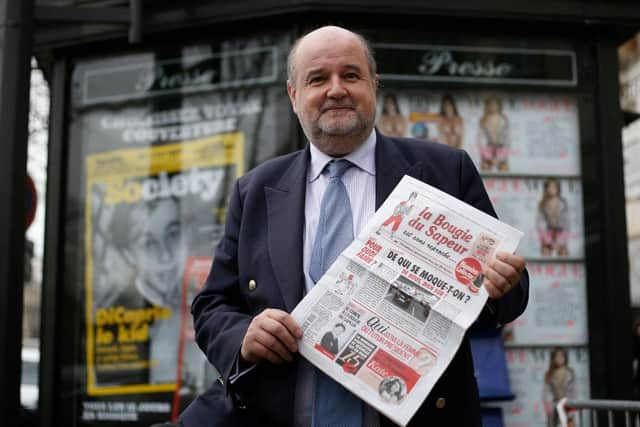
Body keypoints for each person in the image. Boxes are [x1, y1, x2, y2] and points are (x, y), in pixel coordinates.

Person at [180, 25, 528, 427]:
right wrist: (242, 336)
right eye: (317, 79)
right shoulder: (255, 190)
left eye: (350, 75)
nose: (336, 89)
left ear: (373, 85)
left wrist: (503, 287)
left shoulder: (445, 171)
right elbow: (211, 306)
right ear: (293, 95)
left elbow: (508, 297)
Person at [543, 347, 576, 427]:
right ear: (553, 358)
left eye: (562, 356)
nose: (560, 359)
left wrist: (571, 409)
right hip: (554, 408)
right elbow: (546, 393)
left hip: (568, 406)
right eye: (557, 356)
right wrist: (549, 407)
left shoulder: (570, 373)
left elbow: (573, 393)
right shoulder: (549, 374)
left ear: (565, 358)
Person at [536, 178, 569, 256]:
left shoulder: (563, 203)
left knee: (564, 253)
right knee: (545, 253)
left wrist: (560, 242)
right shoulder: (543, 204)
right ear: (546, 189)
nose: (552, 189)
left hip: (561, 235)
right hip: (547, 235)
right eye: (549, 187)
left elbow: (567, 224)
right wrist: (549, 241)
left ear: (558, 188)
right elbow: (540, 224)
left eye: (554, 187)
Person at [477, 95, 509, 171]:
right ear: (487, 106)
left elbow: (508, 140)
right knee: (484, 167)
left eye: (495, 104)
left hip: (501, 149)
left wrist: (500, 157)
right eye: (491, 104)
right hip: (487, 150)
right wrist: (489, 157)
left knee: (504, 168)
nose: (493, 106)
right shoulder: (483, 120)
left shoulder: (504, 120)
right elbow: (480, 140)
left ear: (499, 105)